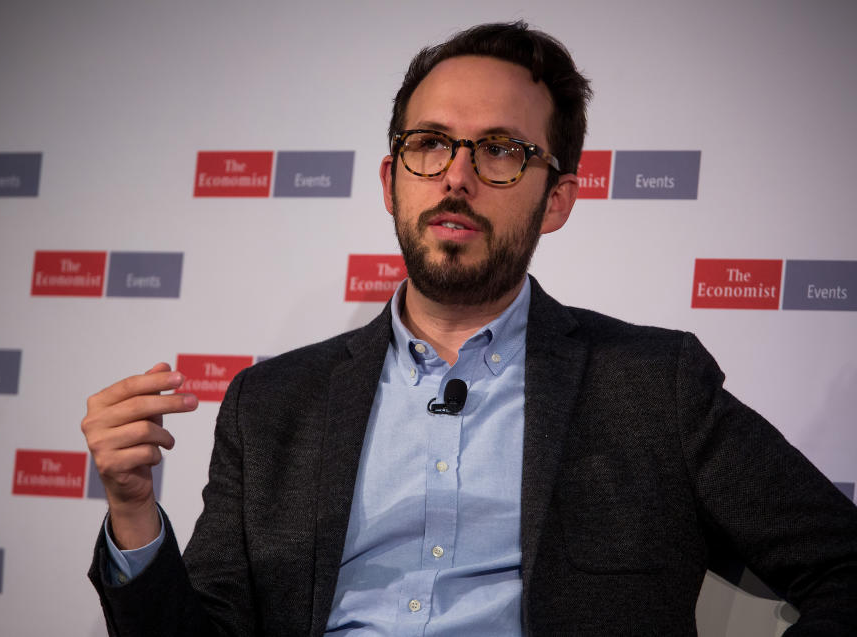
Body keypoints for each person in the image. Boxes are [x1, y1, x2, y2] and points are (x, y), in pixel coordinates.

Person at [83, 22, 857, 636]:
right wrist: (132, 512)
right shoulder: (270, 403)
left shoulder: (655, 384)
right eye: (429, 145)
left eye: (500, 151)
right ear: (392, 182)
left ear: (556, 199)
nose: (456, 175)